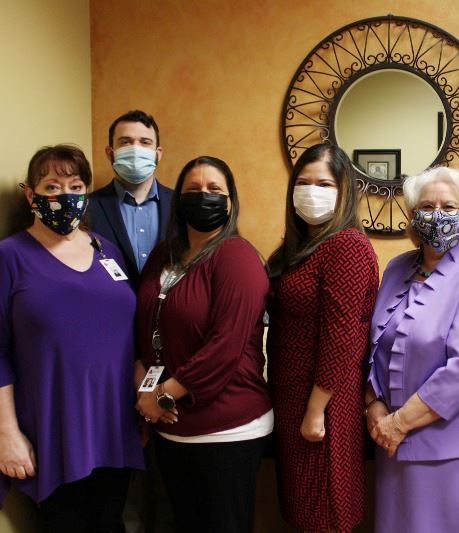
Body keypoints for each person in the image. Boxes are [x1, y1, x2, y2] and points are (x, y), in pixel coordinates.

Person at [0, 145, 144, 531]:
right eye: (52, 186)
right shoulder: (10, 257)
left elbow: (129, 335)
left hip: (113, 426)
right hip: (54, 429)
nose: (65, 195)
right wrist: (7, 434)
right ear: (30, 194)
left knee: (111, 522)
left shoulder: (107, 251)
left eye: (76, 185)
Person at [135, 156, 271, 533]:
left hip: (225, 430)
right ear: (178, 200)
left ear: (231, 202)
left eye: (215, 190)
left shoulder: (237, 257)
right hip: (170, 427)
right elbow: (143, 331)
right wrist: (147, 392)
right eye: (193, 190)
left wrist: (163, 397)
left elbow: (224, 347)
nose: (204, 196)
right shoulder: (164, 255)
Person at [366, 166, 459, 533]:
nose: (437, 215)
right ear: (413, 217)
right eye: (427, 206)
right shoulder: (396, 269)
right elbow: (374, 343)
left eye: (449, 206)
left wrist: (397, 423)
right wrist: (374, 404)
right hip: (393, 446)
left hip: (455, 451)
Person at [266, 143, 378, 532]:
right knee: (300, 509)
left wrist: (316, 409)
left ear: (344, 191)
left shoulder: (346, 246)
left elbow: (342, 337)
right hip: (292, 396)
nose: (312, 190)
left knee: (323, 512)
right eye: (303, 182)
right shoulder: (299, 248)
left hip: (323, 402)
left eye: (324, 183)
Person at [89, 109, 173, 288]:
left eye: (145, 142)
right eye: (125, 142)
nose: (135, 149)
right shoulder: (88, 207)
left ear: (158, 153)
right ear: (109, 152)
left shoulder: (180, 204)